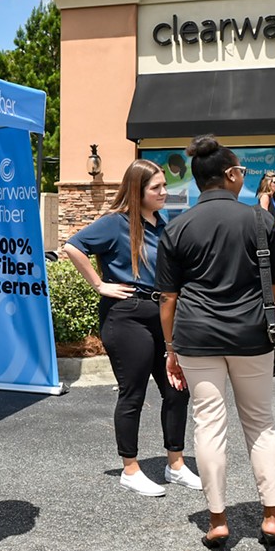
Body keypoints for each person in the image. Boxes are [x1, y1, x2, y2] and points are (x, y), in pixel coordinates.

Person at [156, 135, 275, 550]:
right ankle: (271, 516)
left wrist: (171, 347)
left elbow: (168, 298)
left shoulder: (177, 226)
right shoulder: (260, 220)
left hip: (197, 335)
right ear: (231, 175)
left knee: (209, 426)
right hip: (253, 333)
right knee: (260, 423)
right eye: (243, 172)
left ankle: (218, 520)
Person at [64, 159, 199, 498]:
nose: (164, 192)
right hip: (126, 315)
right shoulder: (115, 223)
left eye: (164, 186)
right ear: (137, 191)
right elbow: (72, 246)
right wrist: (99, 284)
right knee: (133, 394)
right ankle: (131, 469)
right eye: (157, 188)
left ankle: (176, 464)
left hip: (160, 313)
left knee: (176, 390)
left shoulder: (159, 223)